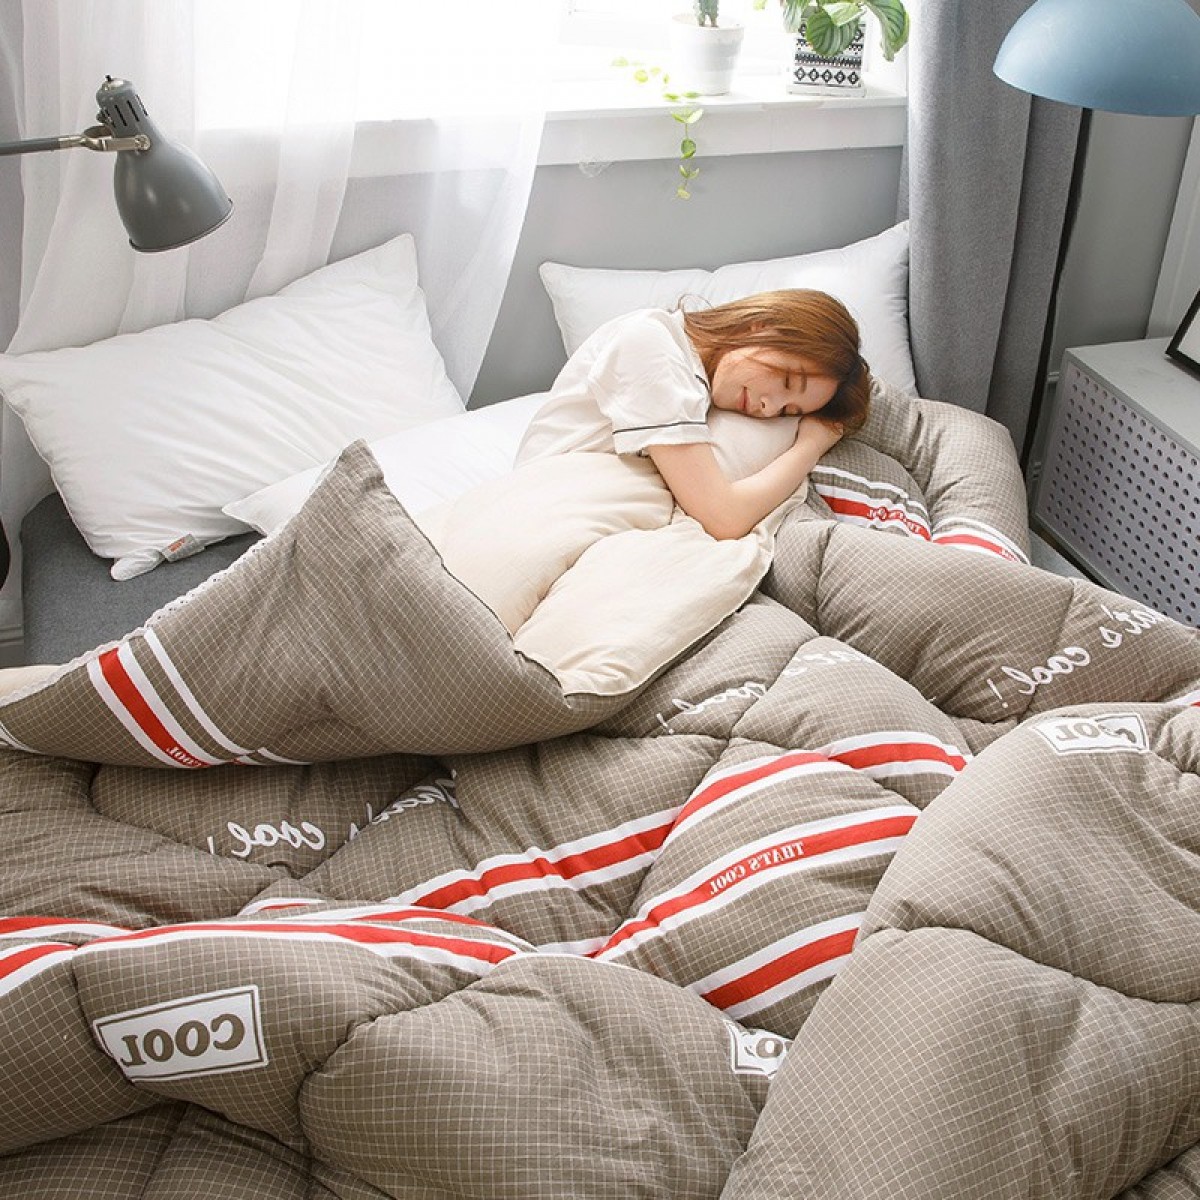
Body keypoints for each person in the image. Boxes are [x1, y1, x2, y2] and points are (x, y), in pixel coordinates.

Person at [516, 288, 871, 540]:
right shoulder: (651, 346)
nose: (769, 407)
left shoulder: (697, 379)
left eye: (788, 411)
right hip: (540, 515)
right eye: (787, 380)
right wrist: (810, 446)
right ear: (760, 326)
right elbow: (723, 518)